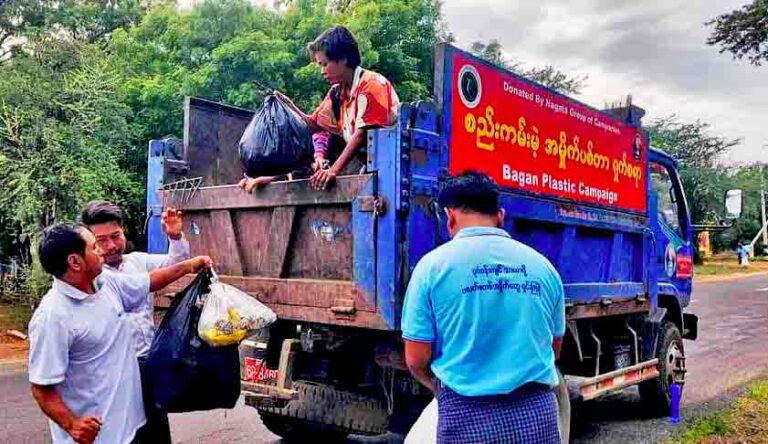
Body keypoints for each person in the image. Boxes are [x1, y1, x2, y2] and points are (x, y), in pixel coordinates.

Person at [401, 171, 566, 444]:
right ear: (500, 216)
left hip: (464, 415)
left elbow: (416, 360)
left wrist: (444, 389)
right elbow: (554, 348)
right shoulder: (544, 268)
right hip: (537, 414)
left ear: (449, 217)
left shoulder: (431, 269)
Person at [28, 223, 212, 444]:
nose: (102, 250)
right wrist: (72, 424)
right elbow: (41, 386)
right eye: (94, 247)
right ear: (75, 262)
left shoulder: (104, 283)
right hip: (100, 438)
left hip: (133, 424)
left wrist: (188, 266)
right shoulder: (53, 317)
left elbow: (148, 282)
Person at [80, 201, 191, 443]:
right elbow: (156, 280)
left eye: (115, 236)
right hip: (114, 371)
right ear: (89, 243)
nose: (111, 246)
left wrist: (175, 237)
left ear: (123, 232)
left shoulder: (137, 262)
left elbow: (175, 262)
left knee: (156, 429)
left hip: (148, 364)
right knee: (124, 433)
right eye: (101, 241)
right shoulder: (90, 278)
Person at [239, 25, 399, 192]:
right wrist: (288, 106)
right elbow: (312, 124)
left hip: (395, 168)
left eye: (324, 64)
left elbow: (362, 134)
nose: (322, 72)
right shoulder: (337, 94)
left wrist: (333, 171)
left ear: (343, 58)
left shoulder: (372, 85)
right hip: (376, 169)